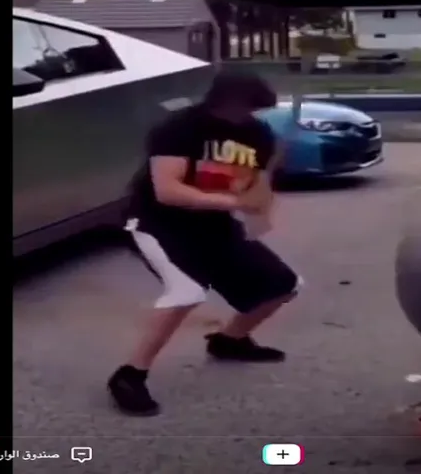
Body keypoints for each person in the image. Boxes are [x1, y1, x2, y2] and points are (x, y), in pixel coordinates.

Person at [108, 71, 301, 416]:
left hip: (215, 225)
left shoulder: (257, 133)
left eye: (255, 110)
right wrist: (235, 203)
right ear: (223, 100)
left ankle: (230, 341)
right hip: (157, 224)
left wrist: (259, 214)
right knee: (187, 292)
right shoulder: (180, 128)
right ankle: (129, 375)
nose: (249, 115)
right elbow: (167, 192)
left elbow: (257, 184)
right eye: (245, 107)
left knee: (283, 284)